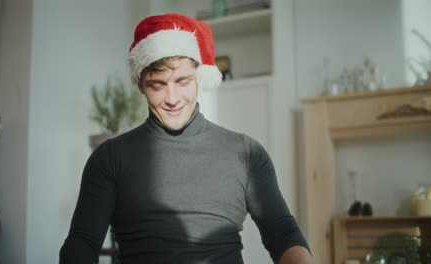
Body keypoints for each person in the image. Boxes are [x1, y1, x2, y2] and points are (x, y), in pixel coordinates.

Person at [60, 13, 311, 264]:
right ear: (140, 85)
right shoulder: (109, 158)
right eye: (157, 85)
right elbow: (82, 242)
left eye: (183, 81)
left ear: (198, 77)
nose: (172, 98)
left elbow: (282, 234)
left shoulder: (246, 153)